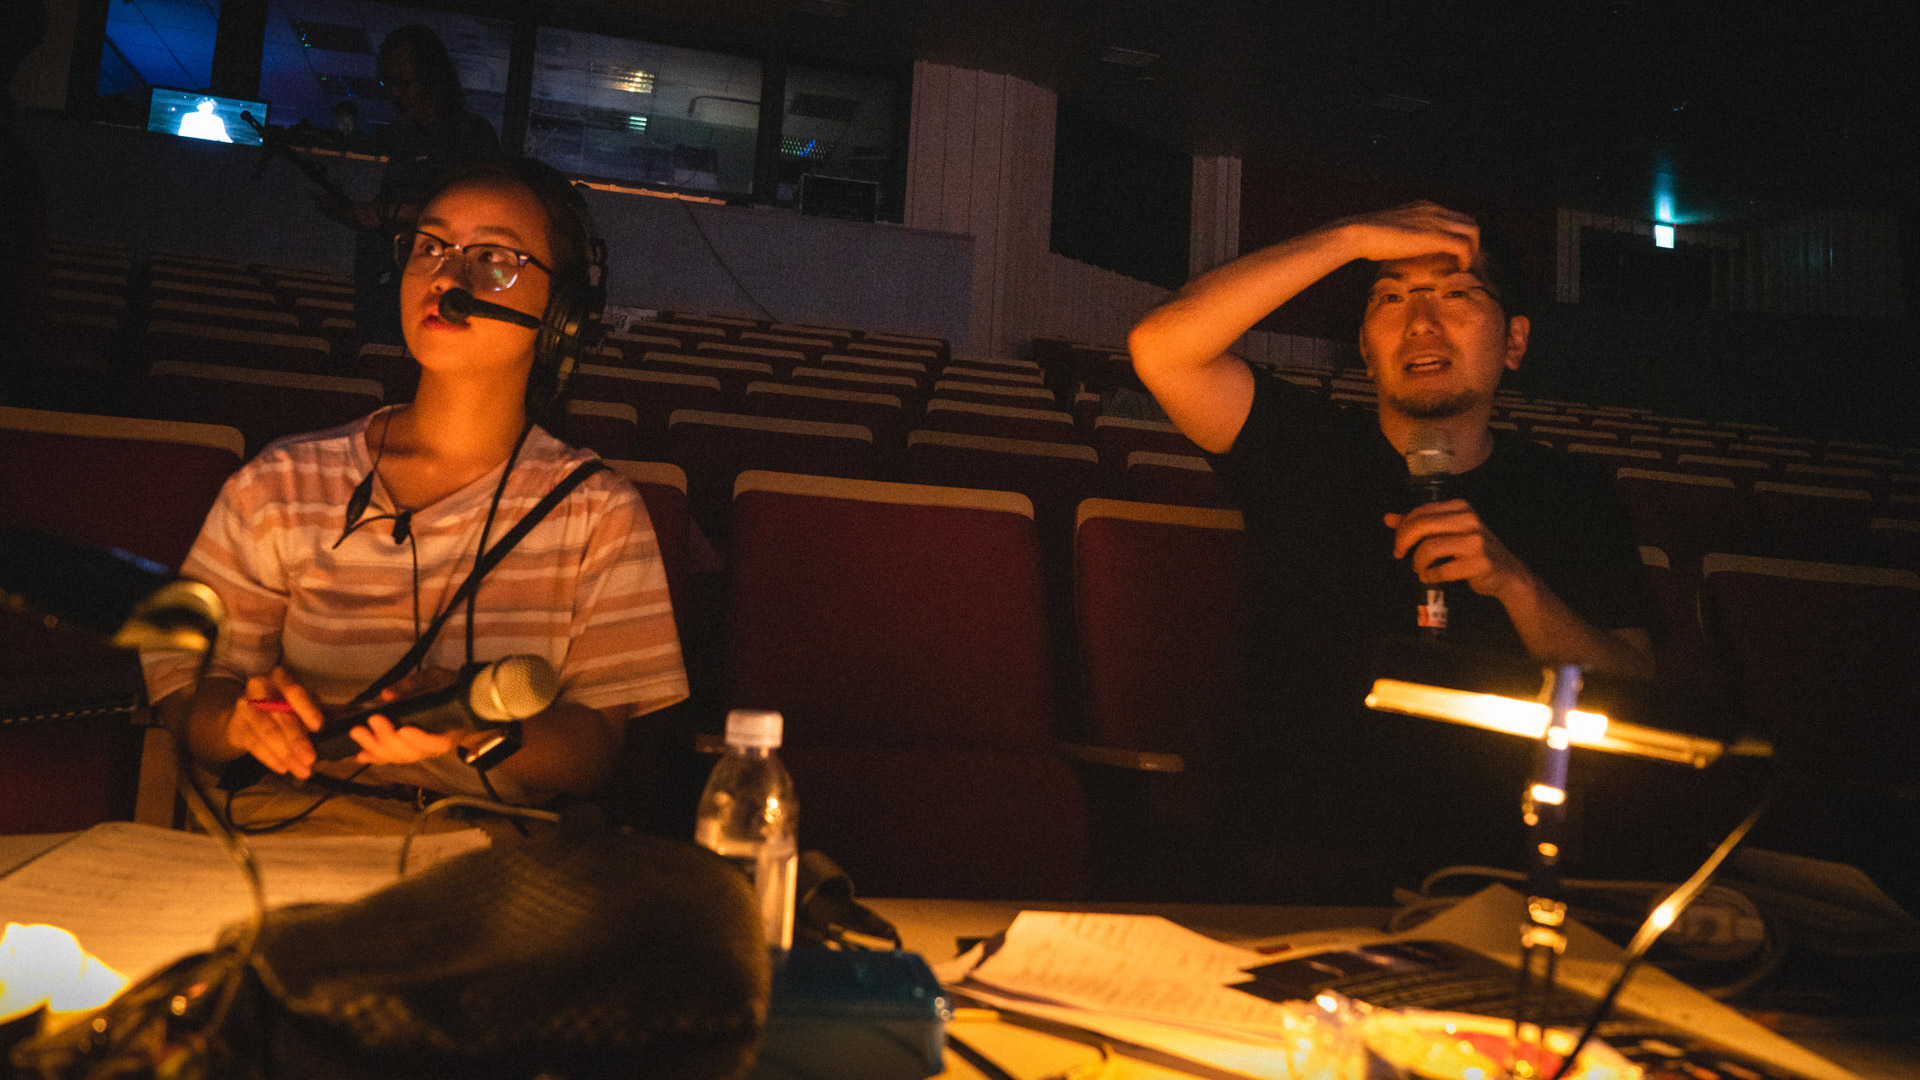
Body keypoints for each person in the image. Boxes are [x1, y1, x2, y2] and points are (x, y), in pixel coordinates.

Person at [1128, 201, 1656, 900]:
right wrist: (1347, 237)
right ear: (1366, 350)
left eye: (1457, 295)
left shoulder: (1574, 495)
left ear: (1515, 341)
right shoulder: (1306, 446)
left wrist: (1516, 585)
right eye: (1392, 298)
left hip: (1495, 870)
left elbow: (1634, 690)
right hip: (1293, 861)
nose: (1421, 322)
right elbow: (1160, 347)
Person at [145, 158, 687, 834]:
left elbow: (594, 752)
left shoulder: (599, 511)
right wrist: (238, 721)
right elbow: (186, 691)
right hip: (279, 836)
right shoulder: (280, 483)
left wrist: (474, 726)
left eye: (493, 258)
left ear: (562, 314)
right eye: (430, 247)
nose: (447, 278)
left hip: (487, 854)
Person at [315, 24, 499, 345]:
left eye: (403, 82)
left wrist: (385, 213)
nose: (395, 94)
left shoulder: (472, 135)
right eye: (388, 83)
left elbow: (477, 219)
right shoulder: (406, 138)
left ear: (433, 78)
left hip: (438, 294)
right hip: (385, 288)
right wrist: (354, 214)